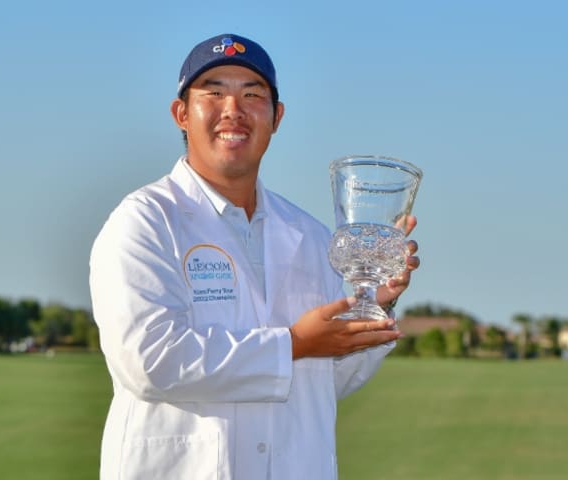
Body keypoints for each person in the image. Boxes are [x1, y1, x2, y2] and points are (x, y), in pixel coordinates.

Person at [89, 33, 420, 480]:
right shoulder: (145, 221)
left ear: (276, 117)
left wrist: (374, 304)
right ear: (181, 114)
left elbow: (325, 383)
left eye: (252, 95)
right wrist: (294, 344)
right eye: (214, 93)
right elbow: (151, 361)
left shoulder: (309, 234)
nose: (234, 111)